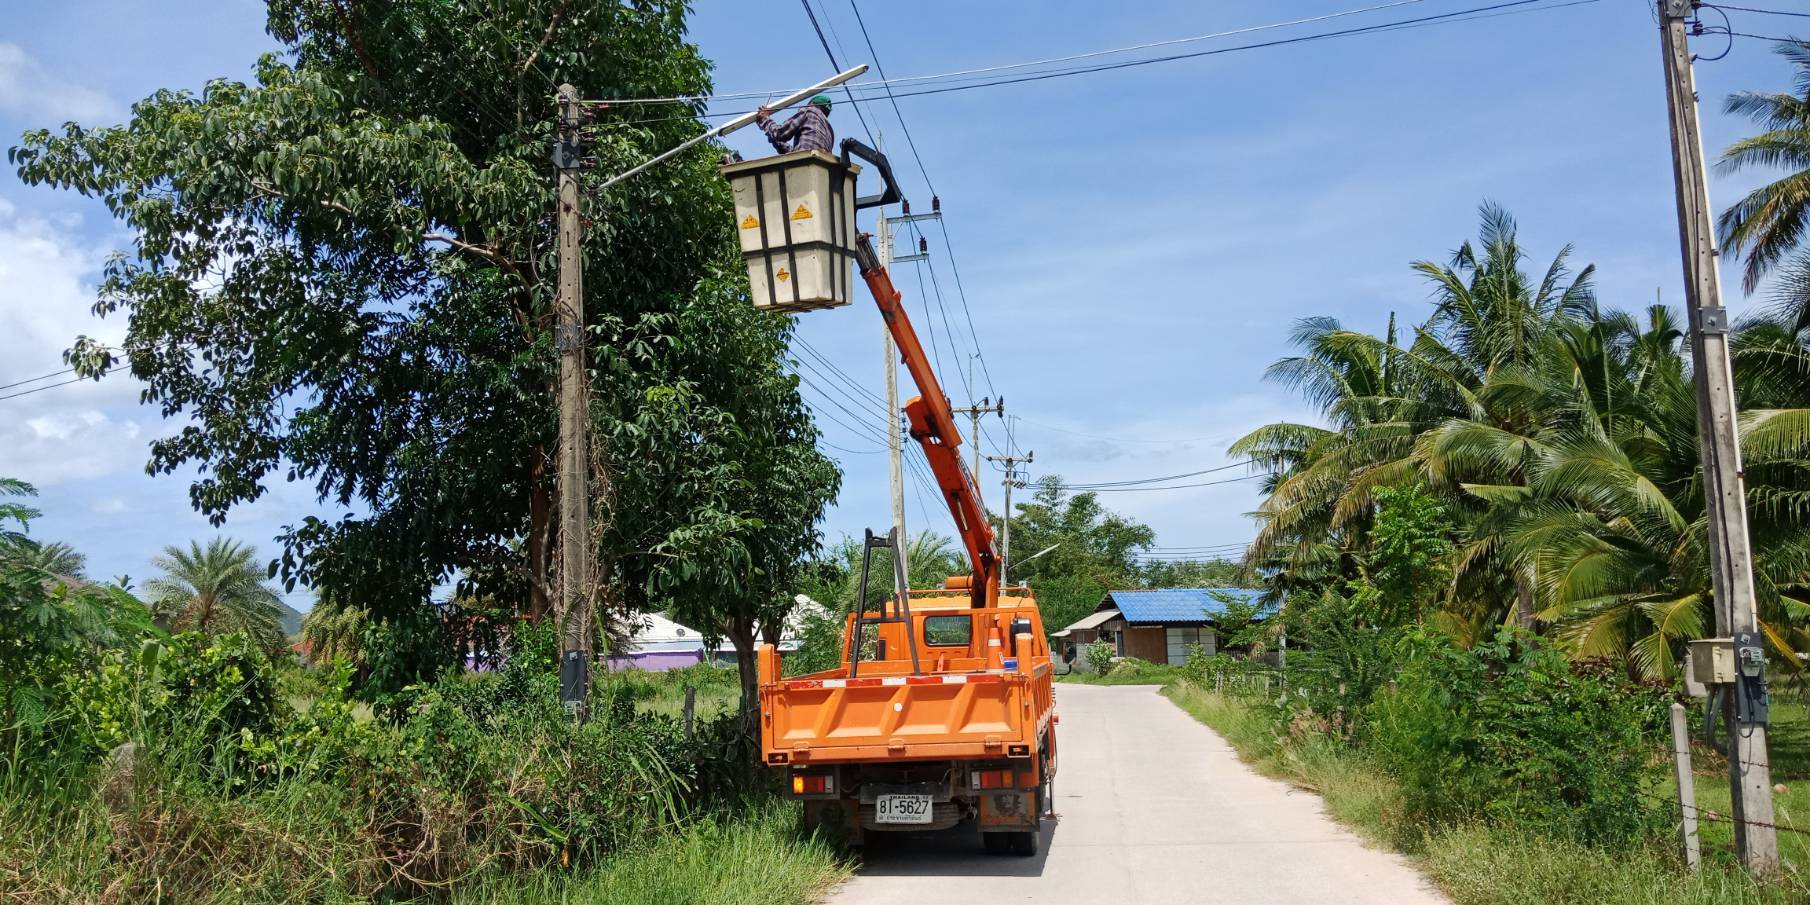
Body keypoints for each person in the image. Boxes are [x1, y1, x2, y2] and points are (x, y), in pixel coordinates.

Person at [758, 95, 834, 154]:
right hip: (819, 169)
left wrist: (765, 119)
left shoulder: (809, 111)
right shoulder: (831, 132)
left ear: (812, 104)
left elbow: (780, 133)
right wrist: (771, 135)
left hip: (804, 162)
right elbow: (793, 152)